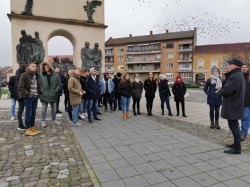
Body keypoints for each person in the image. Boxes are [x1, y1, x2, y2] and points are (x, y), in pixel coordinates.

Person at [217, 58, 245, 154]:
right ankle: (236, 144)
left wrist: (219, 92)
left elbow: (228, 89)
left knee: (233, 125)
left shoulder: (236, 76)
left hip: (233, 105)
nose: (228, 66)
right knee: (234, 125)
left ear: (235, 65)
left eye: (229, 64)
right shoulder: (237, 75)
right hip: (235, 104)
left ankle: (237, 148)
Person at [19, 63, 42, 136]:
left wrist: (39, 93)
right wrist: (28, 94)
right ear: (28, 67)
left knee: (33, 113)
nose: (35, 67)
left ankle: (32, 127)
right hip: (29, 97)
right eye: (33, 66)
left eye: (35, 66)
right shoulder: (24, 75)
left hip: (35, 96)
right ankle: (28, 129)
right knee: (28, 113)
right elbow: (20, 87)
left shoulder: (36, 75)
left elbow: (38, 85)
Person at [39, 62, 61, 128]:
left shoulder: (56, 75)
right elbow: (39, 85)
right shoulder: (41, 75)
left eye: (47, 67)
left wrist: (55, 91)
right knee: (44, 109)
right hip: (44, 95)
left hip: (53, 94)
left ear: (50, 67)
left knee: (54, 109)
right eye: (44, 67)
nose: (46, 68)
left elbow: (59, 84)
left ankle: (54, 120)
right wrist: (42, 91)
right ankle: (43, 121)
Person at [240, 64, 250, 141]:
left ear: (247, 68)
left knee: (245, 117)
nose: (244, 68)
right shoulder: (238, 76)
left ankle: (244, 133)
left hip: (248, 101)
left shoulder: (249, 76)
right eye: (242, 67)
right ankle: (242, 131)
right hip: (239, 101)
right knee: (241, 117)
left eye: (245, 67)